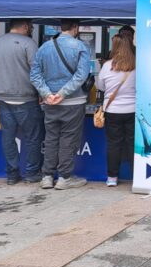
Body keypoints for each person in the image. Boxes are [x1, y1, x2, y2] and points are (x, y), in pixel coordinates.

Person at [30, 20, 92, 190]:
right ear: (76, 28)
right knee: (68, 139)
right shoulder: (80, 47)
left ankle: (47, 176)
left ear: (60, 28)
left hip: (50, 102)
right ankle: (65, 178)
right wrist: (63, 93)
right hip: (73, 102)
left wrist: (47, 94)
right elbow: (81, 75)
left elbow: (35, 75)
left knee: (50, 138)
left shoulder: (44, 47)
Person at [0, 19, 44, 185]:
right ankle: (32, 173)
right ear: (25, 26)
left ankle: (12, 175)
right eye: (31, 27)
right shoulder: (29, 43)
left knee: (8, 137)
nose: (31, 30)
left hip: (2, 97)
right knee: (33, 137)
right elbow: (36, 72)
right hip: (25, 97)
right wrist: (44, 93)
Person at [96, 34, 136, 187]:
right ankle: (137, 177)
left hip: (112, 111)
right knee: (132, 144)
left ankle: (112, 177)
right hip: (132, 110)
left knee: (114, 144)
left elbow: (100, 86)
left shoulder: (107, 66)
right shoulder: (136, 65)